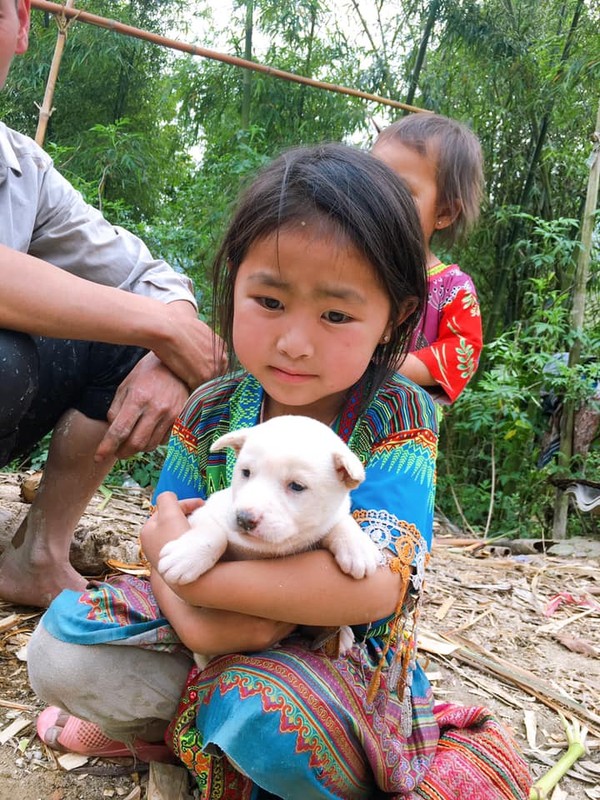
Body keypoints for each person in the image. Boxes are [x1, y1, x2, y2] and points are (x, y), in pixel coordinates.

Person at [27, 143, 531, 799]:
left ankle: (240, 748)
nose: (295, 341)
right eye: (269, 301)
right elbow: (165, 531)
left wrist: (223, 611)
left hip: (339, 668)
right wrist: (206, 623)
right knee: (61, 647)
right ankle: (171, 739)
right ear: (235, 282)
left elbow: (372, 588)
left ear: (397, 319)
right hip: (197, 630)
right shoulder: (211, 408)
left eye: (336, 315)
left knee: (269, 714)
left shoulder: (396, 416)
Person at [0, 0, 226, 608]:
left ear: (22, 24)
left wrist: (166, 343)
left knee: (123, 345)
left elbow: (146, 274)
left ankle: (38, 556)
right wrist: (164, 330)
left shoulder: (24, 171)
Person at [372, 113, 484, 404]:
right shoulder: (346, 264)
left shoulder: (452, 287)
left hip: (402, 426)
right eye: (371, 183)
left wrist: (374, 363)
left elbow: (462, 351)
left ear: (444, 212)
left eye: (400, 191)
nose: (379, 198)